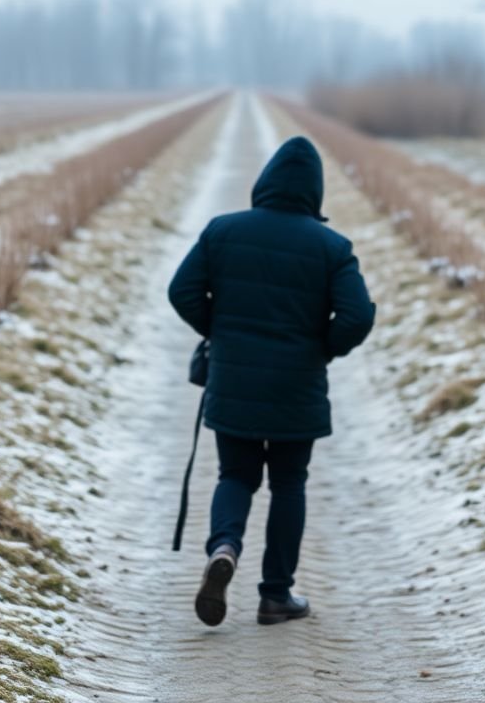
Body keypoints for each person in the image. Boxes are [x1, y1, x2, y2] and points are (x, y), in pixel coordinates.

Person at [167, 135, 376, 627]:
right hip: (296, 389)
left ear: (264, 183)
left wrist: (220, 330)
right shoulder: (332, 247)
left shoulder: (222, 231)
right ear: (314, 192)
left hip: (233, 381)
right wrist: (322, 345)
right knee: (288, 484)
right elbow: (357, 316)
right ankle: (275, 595)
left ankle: (224, 548)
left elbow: (182, 291)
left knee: (235, 475)